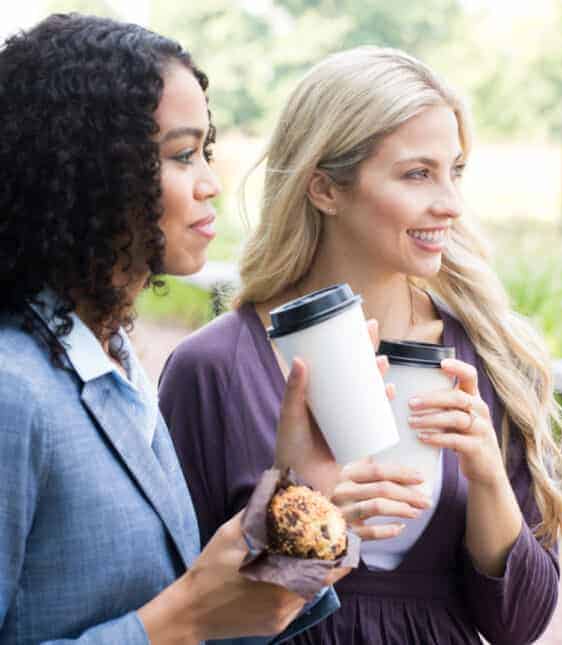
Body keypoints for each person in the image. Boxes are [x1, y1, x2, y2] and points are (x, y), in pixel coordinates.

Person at [158, 46, 562, 645]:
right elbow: (182, 612)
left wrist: (486, 477)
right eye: (416, 173)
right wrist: (309, 521)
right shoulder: (214, 369)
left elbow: (519, 625)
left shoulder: (491, 358)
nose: (450, 204)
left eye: (454, 171)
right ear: (325, 188)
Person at [0, 13, 357, 644]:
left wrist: (303, 494)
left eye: (207, 152)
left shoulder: (114, 362)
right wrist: (183, 612)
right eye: (182, 155)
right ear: (91, 171)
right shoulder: (13, 390)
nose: (210, 184)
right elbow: (187, 619)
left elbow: (220, 625)